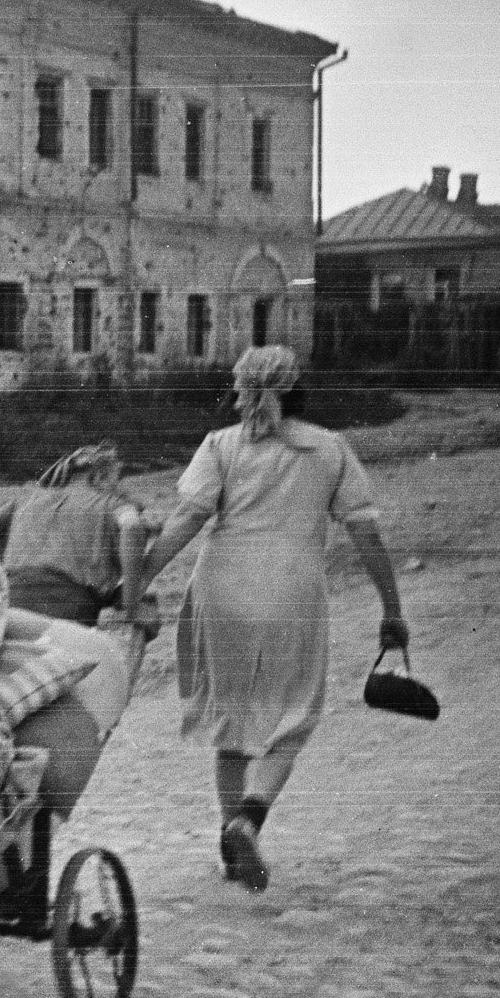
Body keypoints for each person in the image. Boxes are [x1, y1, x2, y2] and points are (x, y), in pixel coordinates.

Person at [139, 345, 410, 892]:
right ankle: (249, 820)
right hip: (291, 594)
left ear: (244, 391)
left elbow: (184, 523)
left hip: (222, 591)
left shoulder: (220, 446)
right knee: (291, 720)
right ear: (297, 391)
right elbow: (366, 534)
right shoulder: (330, 450)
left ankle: (229, 842)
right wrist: (392, 608)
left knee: (230, 724)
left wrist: (133, 584)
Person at [0, 442, 150, 627]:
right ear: (101, 476)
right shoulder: (112, 503)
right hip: (69, 602)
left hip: (8, 599)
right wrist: (130, 606)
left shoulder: (27, 499)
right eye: (118, 479)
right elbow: (132, 526)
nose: (121, 487)